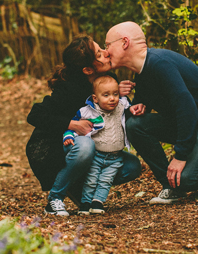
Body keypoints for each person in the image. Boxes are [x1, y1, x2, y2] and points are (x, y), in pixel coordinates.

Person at [104, 21, 198, 204]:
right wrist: (133, 107)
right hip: (191, 125)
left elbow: (186, 106)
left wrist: (180, 156)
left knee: (186, 179)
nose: (105, 52)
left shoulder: (160, 63)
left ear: (125, 43)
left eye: (107, 45)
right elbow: (133, 119)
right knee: (135, 125)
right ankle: (170, 186)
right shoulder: (141, 72)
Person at [26, 36, 142, 216]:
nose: (106, 53)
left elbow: (113, 115)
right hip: (56, 148)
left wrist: (118, 96)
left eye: (101, 48)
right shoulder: (68, 88)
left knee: (132, 166)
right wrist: (72, 124)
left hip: (97, 150)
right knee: (85, 147)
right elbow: (35, 115)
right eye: (99, 54)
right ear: (88, 69)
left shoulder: (108, 78)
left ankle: (78, 186)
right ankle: (55, 199)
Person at [62, 75, 145, 215]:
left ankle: (97, 203)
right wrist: (69, 136)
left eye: (115, 94)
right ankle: (85, 203)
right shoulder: (88, 111)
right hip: (97, 155)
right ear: (95, 98)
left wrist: (134, 109)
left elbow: (130, 107)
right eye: (106, 95)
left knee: (106, 181)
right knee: (91, 179)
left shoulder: (121, 106)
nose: (112, 98)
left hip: (115, 157)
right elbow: (73, 125)